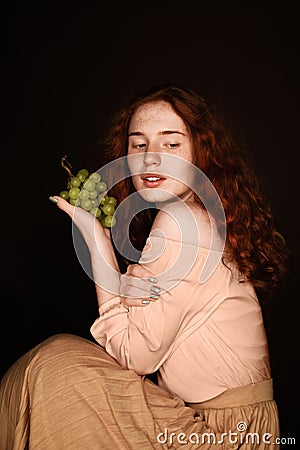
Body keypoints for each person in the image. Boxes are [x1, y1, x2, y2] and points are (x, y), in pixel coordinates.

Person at [0, 84, 289, 449]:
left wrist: (96, 240)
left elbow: (135, 356)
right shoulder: (203, 217)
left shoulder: (182, 222)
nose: (152, 158)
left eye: (171, 144)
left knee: (54, 368)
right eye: (139, 145)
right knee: (55, 362)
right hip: (218, 422)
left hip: (228, 435)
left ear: (201, 153)